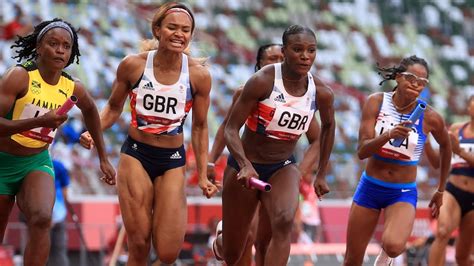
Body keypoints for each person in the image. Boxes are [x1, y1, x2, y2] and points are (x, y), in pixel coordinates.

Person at [79, 2, 218, 264]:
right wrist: (92, 130)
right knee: (139, 243)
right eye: (172, 27)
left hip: (173, 159)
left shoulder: (198, 75)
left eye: (186, 30)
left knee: (167, 252)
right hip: (136, 154)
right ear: (158, 30)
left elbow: (200, 126)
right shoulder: (133, 65)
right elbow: (112, 106)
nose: (179, 34)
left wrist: (201, 175)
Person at [213, 25, 335, 265]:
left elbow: (328, 128)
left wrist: (320, 173)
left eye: (311, 50)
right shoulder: (262, 81)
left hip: (282, 167)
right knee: (232, 253)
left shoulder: (321, 92)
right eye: (298, 49)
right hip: (245, 167)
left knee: (285, 222)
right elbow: (230, 128)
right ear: (285, 50)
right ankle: (221, 238)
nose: (305, 56)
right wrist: (244, 164)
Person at [0, 18, 115, 266]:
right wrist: (37, 122)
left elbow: (92, 111)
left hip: (35, 161)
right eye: (53, 44)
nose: (60, 50)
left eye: (66, 46)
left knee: (42, 218)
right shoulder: (19, 77)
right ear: (39, 47)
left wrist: (103, 157)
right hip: (2, 160)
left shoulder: (72, 87)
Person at [343, 55, 452, 266]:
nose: (416, 84)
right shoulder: (376, 102)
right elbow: (362, 151)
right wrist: (387, 136)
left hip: (402, 191)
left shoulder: (430, 117)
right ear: (399, 77)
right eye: (411, 78)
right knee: (352, 260)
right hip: (371, 186)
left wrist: (440, 189)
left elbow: (446, 146)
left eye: (422, 82)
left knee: (394, 246)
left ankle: (386, 257)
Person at [428, 96, 474, 266]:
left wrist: (460, 151)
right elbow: (437, 162)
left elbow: (458, 151)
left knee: (462, 257)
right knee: (442, 232)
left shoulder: (459, 143)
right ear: (468, 108)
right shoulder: (456, 129)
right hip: (453, 190)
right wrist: (425, 141)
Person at [48, 159, 71, 266]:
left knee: (41, 249)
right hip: (55, 214)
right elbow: (65, 190)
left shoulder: (57, 166)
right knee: (59, 251)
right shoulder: (58, 165)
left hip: (54, 214)